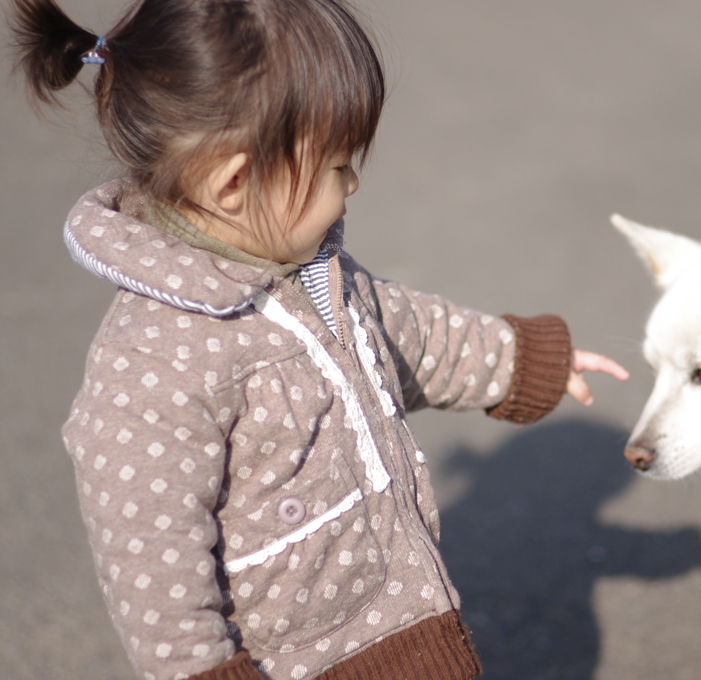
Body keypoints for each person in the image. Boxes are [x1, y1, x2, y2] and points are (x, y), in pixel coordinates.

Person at [10, 0, 629, 678]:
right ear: (235, 183)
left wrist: (518, 360)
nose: (353, 182)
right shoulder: (151, 365)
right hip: (301, 661)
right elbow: (152, 568)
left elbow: (407, 336)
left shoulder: (308, 272)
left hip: (407, 629)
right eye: (337, 166)